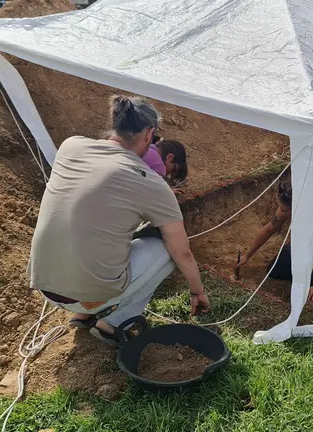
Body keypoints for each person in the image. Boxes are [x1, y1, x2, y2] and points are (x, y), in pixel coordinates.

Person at [28, 95, 210, 346]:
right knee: (167, 250)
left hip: (45, 286)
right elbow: (183, 253)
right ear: (148, 135)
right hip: (88, 294)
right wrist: (197, 292)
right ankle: (113, 324)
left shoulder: (71, 146)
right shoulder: (151, 182)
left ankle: (83, 315)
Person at [235, 176, 313, 302]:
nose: (283, 212)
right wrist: (247, 255)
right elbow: (269, 229)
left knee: (303, 271)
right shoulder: (288, 202)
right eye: (282, 208)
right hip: (311, 245)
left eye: (287, 210)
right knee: (276, 267)